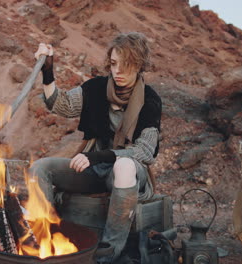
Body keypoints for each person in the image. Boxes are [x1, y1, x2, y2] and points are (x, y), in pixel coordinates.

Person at [30, 32, 162, 263]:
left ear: (139, 65)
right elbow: (61, 105)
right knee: (41, 167)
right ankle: (47, 239)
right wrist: (48, 70)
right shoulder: (96, 88)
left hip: (128, 174)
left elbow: (145, 151)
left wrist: (98, 156)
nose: (118, 71)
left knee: (123, 165)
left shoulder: (150, 99)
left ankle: (109, 252)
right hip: (94, 170)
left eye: (126, 65)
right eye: (113, 64)